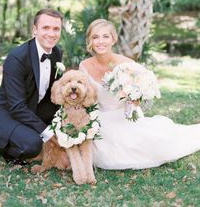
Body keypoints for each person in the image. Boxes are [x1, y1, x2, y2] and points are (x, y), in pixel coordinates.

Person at [79, 19, 200, 169]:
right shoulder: (84, 66)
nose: (100, 42)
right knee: (105, 157)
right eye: (95, 37)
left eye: (105, 36)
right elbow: (84, 99)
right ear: (90, 40)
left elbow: (141, 91)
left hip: (125, 116)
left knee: (160, 144)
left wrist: (136, 99)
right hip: (100, 118)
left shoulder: (127, 65)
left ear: (114, 39)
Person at [0, 8, 68, 166]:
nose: (51, 34)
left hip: (35, 106)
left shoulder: (57, 53)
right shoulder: (17, 58)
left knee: (66, 123)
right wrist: (48, 132)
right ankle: (5, 149)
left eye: (56, 29)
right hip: (8, 112)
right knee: (33, 145)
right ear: (34, 30)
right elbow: (16, 106)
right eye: (46, 28)